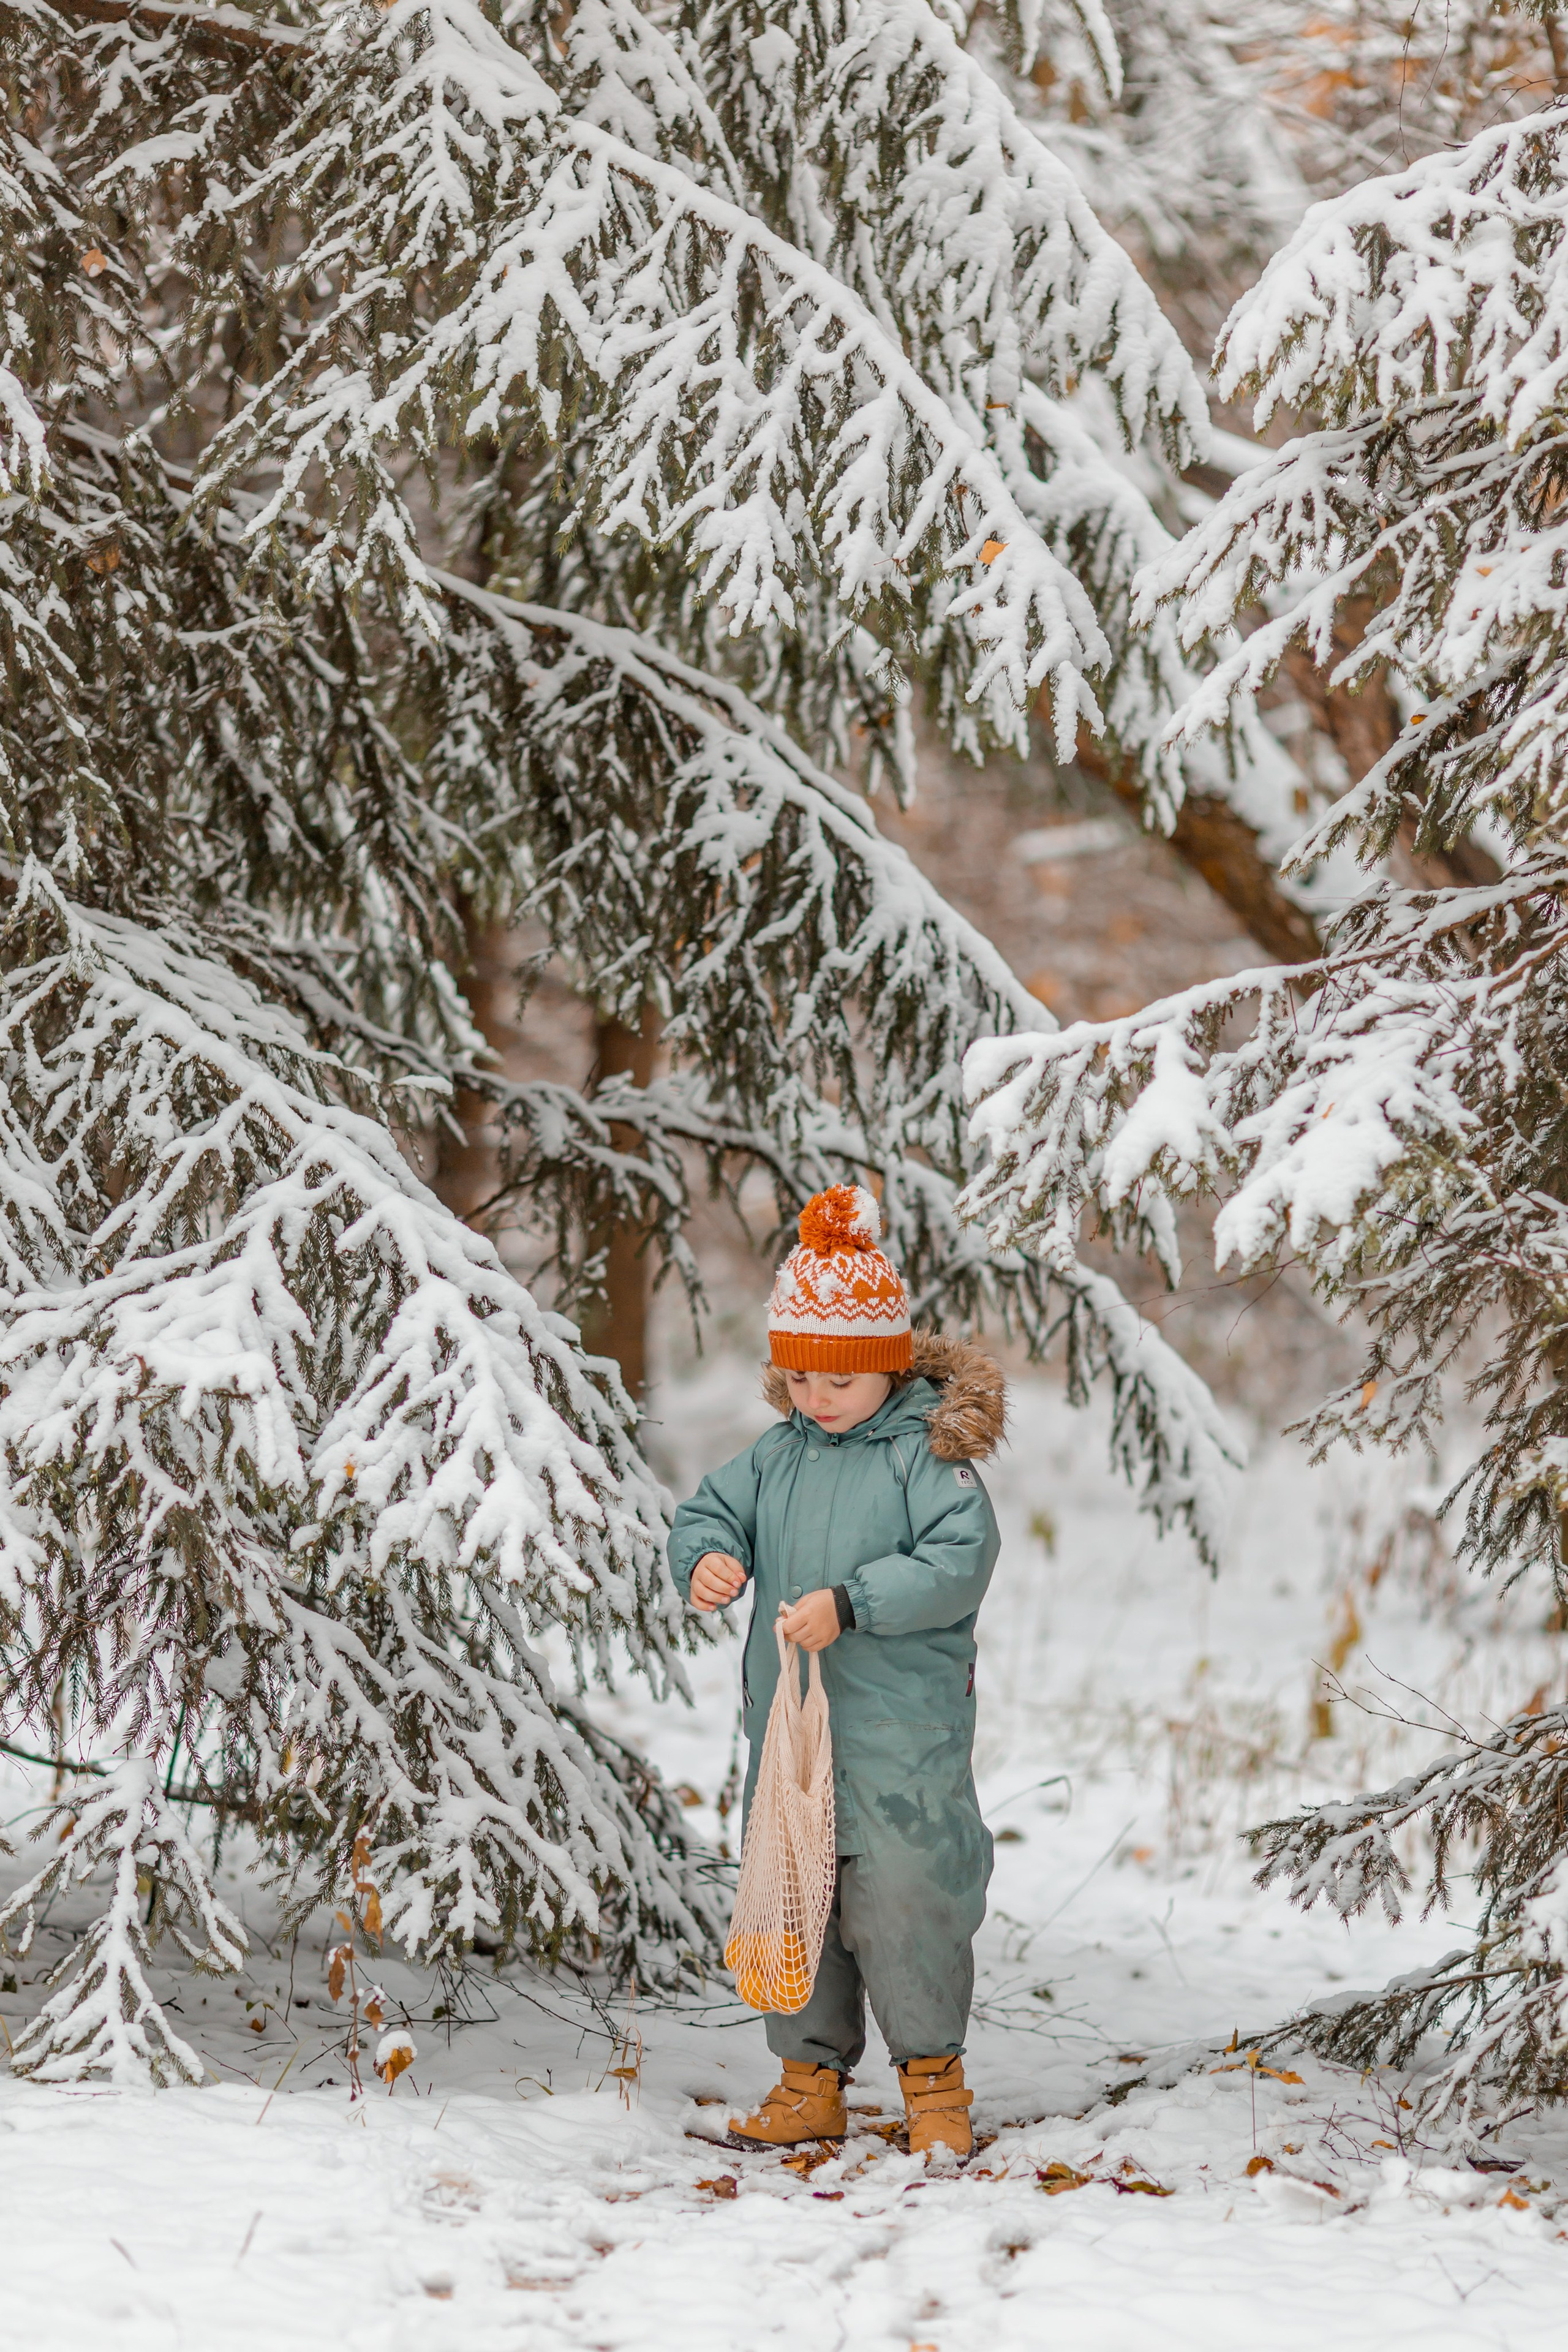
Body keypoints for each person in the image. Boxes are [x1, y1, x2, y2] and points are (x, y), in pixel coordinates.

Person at [668, 1183, 1005, 2162]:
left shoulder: (927, 1461)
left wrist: (852, 1603)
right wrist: (708, 1561)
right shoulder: (777, 1457)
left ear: (887, 1369)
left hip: (901, 1737)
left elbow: (959, 1560)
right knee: (794, 1895)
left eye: (839, 1382)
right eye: (801, 1379)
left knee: (907, 1899)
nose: (818, 1399)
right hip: (793, 1734)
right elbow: (706, 1512)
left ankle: (933, 2079)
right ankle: (807, 2077)